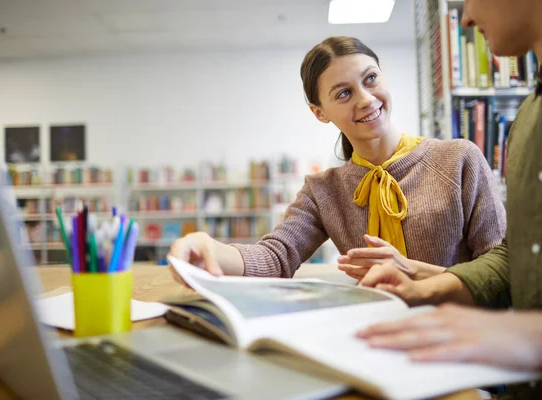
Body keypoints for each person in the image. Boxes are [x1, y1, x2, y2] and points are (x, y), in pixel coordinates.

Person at [355, 0, 542, 398]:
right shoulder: (529, 118)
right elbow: (517, 255)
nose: (467, 16)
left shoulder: (458, 157)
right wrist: (424, 287)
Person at [169, 36, 505, 282]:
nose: (365, 99)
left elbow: (502, 274)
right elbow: (276, 256)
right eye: (343, 93)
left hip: (461, 342)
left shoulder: (459, 159)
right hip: (378, 341)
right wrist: (209, 247)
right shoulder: (323, 190)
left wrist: (415, 272)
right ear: (319, 113)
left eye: (370, 79)